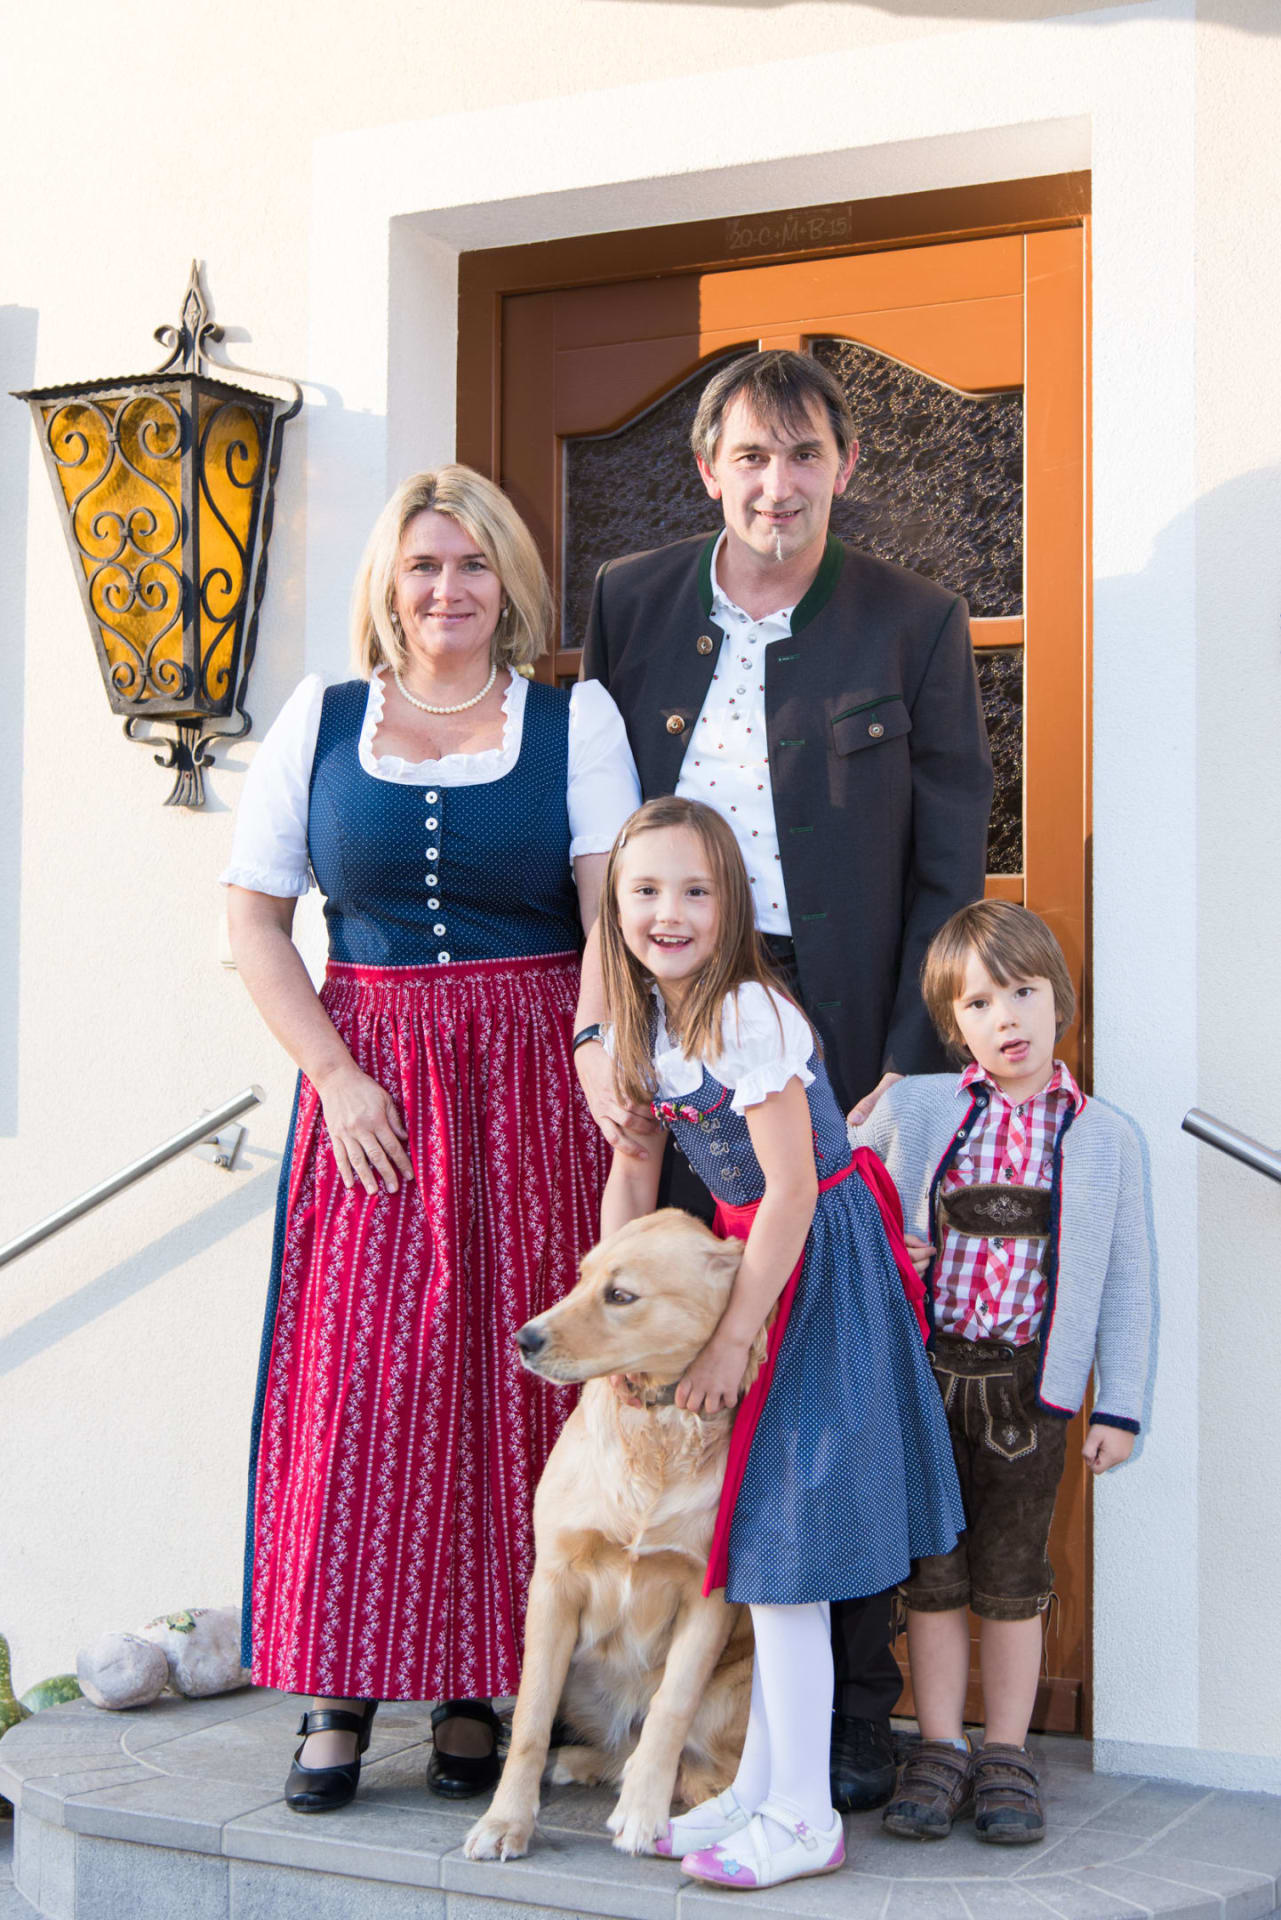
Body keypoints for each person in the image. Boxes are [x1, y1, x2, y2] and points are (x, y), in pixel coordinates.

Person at [575, 348, 993, 1809]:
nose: (778, 483)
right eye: (751, 456)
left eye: (805, 455)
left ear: (844, 467)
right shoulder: (631, 601)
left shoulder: (913, 620)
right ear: (709, 470)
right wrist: (606, 1022)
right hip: (671, 1014)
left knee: (830, 1375)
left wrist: (909, 1067)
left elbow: (950, 863)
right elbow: (598, 839)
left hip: (844, 1036)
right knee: (671, 1341)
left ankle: (853, 1714)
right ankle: (688, 1708)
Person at [221, 466, 641, 1813]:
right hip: (377, 1087)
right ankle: (338, 1690)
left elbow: (612, 910)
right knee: (361, 1383)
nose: (447, 588)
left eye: (470, 564)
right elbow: (253, 923)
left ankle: (482, 1686)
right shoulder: (323, 718)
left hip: (530, 1075)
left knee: (516, 1381)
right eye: (423, 566)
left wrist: (595, 1047)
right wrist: (335, 1077)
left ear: (506, 582)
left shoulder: (574, 722)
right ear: (389, 586)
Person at [595, 796, 965, 1891]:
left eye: (695, 890)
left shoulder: (747, 1014)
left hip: (816, 1272)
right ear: (615, 905)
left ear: (735, 905)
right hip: (755, 1267)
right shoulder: (646, 1022)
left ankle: (804, 1815)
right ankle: (759, 1787)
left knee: (785, 1554)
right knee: (761, 1551)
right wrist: (613, 1318)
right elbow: (631, 1173)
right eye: (645, 891)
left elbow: (794, 1190)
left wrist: (728, 1342)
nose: (669, 913)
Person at [850, 900, 1153, 1846]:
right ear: (954, 1024)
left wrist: (1120, 1407)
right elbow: (841, 1209)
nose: (1005, 1018)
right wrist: (893, 1243)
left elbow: (1126, 1282)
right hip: (926, 1388)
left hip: (1031, 1398)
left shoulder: (1104, 1137)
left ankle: (1008, 1750)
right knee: (933, 1576)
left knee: (1013, 1577)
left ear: (1059, 998)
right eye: (978, 1004)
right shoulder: (917, 1109)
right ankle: (939, 1745)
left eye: (1022, 993)